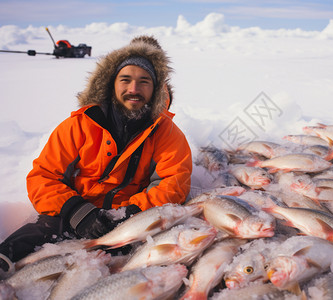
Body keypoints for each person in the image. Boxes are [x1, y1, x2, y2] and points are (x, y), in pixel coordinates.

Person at [0, 35, 192, 276]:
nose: (134, 89)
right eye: (126, 80)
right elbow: (43, 177)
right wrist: (77, 212)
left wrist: (132, 215)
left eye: (144, 81)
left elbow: (174, 182)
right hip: (72, 212)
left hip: (128, 220)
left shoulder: (167, 133)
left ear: (156, 89)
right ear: (112, 83)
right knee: (28, 239)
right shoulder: (79, 125)